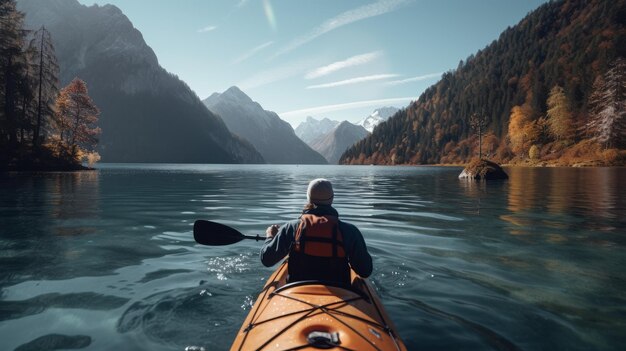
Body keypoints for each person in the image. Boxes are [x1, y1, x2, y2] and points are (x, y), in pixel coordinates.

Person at [260, 178, 372, 284]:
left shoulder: (291, 228)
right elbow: (365, 271)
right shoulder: (350, 231)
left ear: (308, 198)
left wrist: (270, 236)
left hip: (297, 291)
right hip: (340, 292)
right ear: (332, 199)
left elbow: (266, 259)